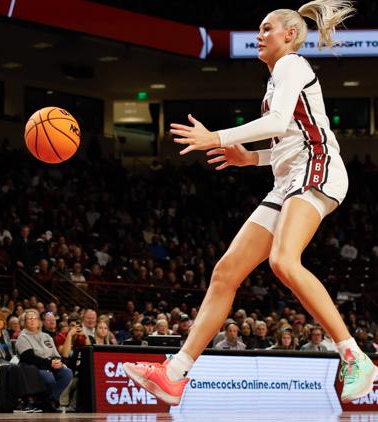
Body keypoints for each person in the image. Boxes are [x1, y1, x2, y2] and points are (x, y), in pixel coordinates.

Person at [123, 0, 375, 406]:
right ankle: (174, 374)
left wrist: (217, 137)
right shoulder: (276, 81)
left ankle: (354, 354)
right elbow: (285, 141)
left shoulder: (293, 65)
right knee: (226, 272)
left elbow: (279, 126)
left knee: (283, 261)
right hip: (289, 178)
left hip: (318, 167)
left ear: (289, 35)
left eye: (266, 28)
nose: (259, 35)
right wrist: (251, 157)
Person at [0, 309, 44, 412]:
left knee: (29, 367)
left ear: (4, 322)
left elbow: (12, 354)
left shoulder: (5, 334)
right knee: (14, 369)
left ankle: (33, 400)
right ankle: (25, 401)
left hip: (10, 364)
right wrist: (12, 364)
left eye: (1, 319)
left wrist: (17, 361)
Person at [16, 309, 74, 412]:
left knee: (67, 373)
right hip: (33, 368)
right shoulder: (22, 337)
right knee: (49, 377)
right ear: (24, 322)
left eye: (35, 318)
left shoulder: (46, 336)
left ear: (39, 321)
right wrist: (50, 364)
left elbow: (55, 355)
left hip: (49, 366)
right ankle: (45, 402)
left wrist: (57, 362)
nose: (32, 320)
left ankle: (50, 400)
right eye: (29, 318)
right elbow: (30, 358)